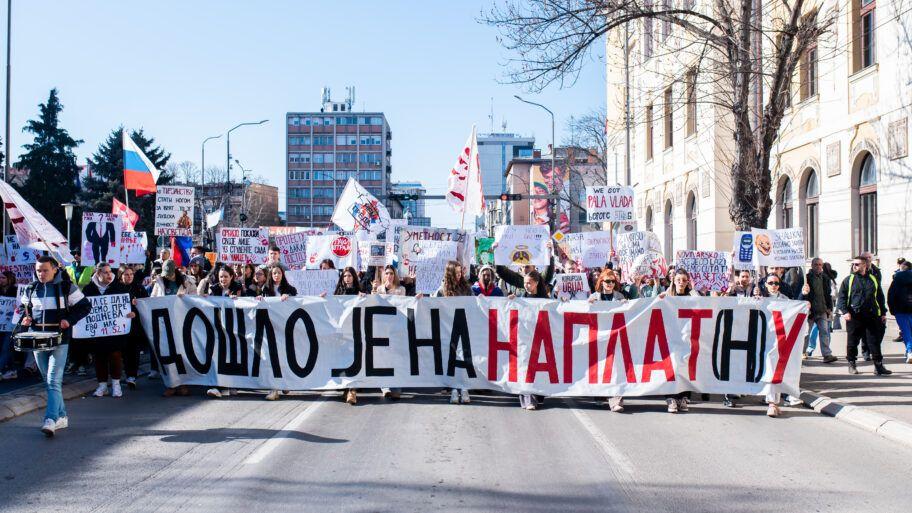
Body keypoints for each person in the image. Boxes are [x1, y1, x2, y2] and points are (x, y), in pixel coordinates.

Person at [19, 256, 91, 436]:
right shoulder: (31, 288)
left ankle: (50, 419)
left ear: (55, 270)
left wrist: (69, 320)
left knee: (53, 381)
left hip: (59, 339)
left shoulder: (66, 287)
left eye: (45, 270)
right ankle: (62, 416)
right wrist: (25, 319)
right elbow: (24, 310)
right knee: (49, 381)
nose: (41, 274)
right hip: (37, 339)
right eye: (38, 270)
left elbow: (85, 306)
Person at [82, 263, 133, 398]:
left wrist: (131, 313)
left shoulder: (119, 287)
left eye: (110, 271)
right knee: (100, 357)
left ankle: (116, 385)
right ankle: (102, 386)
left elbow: (126, 306)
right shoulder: (88, 290)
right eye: (105, 272)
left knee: (115, 355)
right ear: (98, 274)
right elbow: (83, 307)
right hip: (98, 331)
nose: (109, 274)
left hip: (115, 330)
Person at [837, 256, 890, 376]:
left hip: (872, 315)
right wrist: (845, 312)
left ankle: (878, 366)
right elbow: (842, 298)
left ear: (865, 265)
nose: (854, 266)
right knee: (852, 341)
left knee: (874, 341)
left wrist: (883, 313)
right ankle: (851, 363)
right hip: (854, 316)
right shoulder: (848, 280)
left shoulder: (873, 279)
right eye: (853, 264)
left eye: (857, 264)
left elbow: (880, 297)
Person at [506, 269, 549, 410]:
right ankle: (527, 399)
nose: (526, 286)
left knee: (539, 369)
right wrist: (510, 301)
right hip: (523, 338)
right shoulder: (519, 297)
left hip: (540, 339)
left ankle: (538, 395)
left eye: (529, 283)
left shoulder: (545, 299)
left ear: (536, 283)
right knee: (525, 368)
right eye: (525, 283)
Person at [658, 269, 700, 413]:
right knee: (672, 367)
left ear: (688, 282)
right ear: (673, 281)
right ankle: (671, 398)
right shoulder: (667, 296)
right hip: (671, 338)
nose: (681, 283)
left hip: (687, 338)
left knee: (685, 368)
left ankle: (683, 398)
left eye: (684, 280)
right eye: (678, 280)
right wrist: (660, 298)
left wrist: (693, 290)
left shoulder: (691, 296)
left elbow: (702, 302)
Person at [151, 260, 195, 397]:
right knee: (168, 353)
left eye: (170, 274)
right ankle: (171, 384)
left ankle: (183, 384)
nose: (168, 277)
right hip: (165, 323)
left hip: (182, 322)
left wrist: (185, 297)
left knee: (182, 353)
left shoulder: (187, 281)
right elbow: (153, 298)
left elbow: (196, 299)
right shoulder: (159, 282)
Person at [587, 269, 626, 413]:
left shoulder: (620, 296)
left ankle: (616, 400)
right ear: (601, 282)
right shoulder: (594, 297)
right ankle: (600, 394)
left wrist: (625, 304)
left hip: (616, 338)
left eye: (612, 281)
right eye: (607, 281)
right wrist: (588, 304)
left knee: (616, 369)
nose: (610, 284)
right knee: (600, 368)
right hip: (599, 338)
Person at [203, 266, 244, 400]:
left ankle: (233, 384)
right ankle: (217, 386)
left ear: (231, 277)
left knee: (232, 356)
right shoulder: (214, 288)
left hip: (234, 329)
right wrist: (205, 297)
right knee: (217, 356)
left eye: (226, 276)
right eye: (221, 276)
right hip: (217, 328)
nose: (223, 279)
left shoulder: (237, 287)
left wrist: (235, 299)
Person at [119, 266, 151, 389]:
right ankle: (127, 374)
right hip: (121, 327)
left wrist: (136, 311)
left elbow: (146, 304)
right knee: (125, 352)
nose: (129, 276)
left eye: (131, 274)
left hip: (135, 326)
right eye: (126, 274)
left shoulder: (138, 287)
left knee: (134, 351)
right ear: (121, 276)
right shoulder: (116, 288)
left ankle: (132, 376)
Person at [802, 258, 837, 363]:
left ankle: (827, 354)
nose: (818, 266)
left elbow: (828, 294)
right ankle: (802, 352)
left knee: (824, 332)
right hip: (810, 312)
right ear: (812, 265)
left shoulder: (825, 278)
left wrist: (830, 309)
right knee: (806, 333)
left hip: (822, 310)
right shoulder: (806, 278)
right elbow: (802, 294)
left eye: (820, 264)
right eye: (816, 264)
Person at [887, 260, 912, 363]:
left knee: (906, 331)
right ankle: (909, 351)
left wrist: (892, 310)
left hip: (900, 310)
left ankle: (910, 351)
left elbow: (891, 295)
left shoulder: (896, 279)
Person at [0, 271, 20, 380]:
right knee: (5, 348)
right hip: (1, 324)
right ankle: (12, 370)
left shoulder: (15, 291)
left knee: (6, 347)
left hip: (11, 325)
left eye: (3, 278)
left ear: (9, 278)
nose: (1, 280)